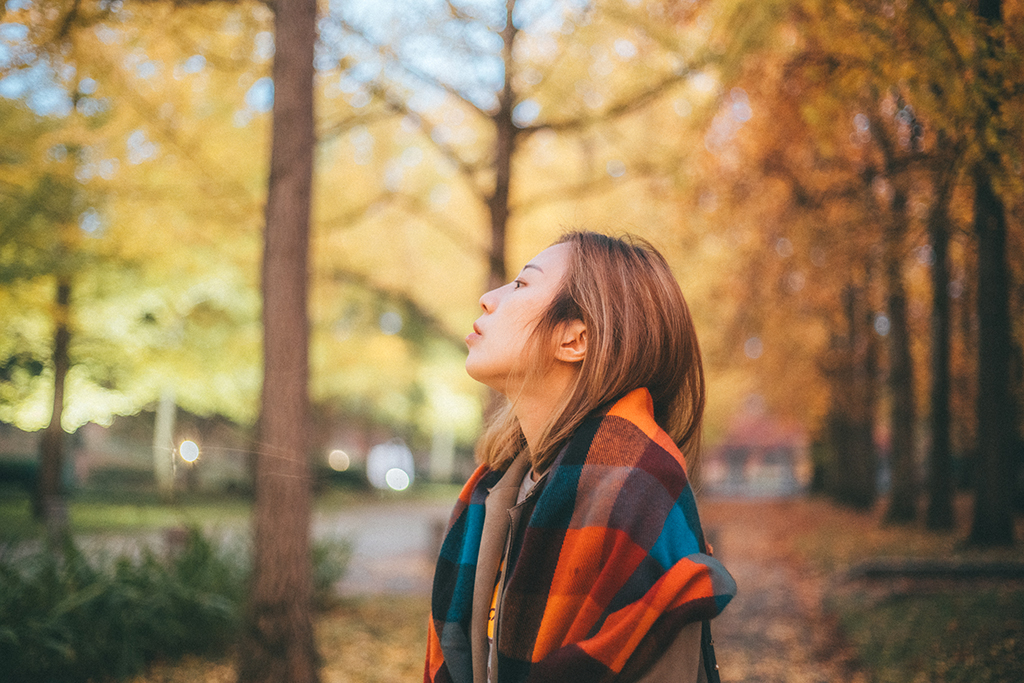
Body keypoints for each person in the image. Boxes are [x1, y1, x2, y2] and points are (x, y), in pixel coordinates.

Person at [425, 231, 736, 683]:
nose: (488, 299)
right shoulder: (494, 488)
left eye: (522, 285)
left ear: (575, 339)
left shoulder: (638, 491)